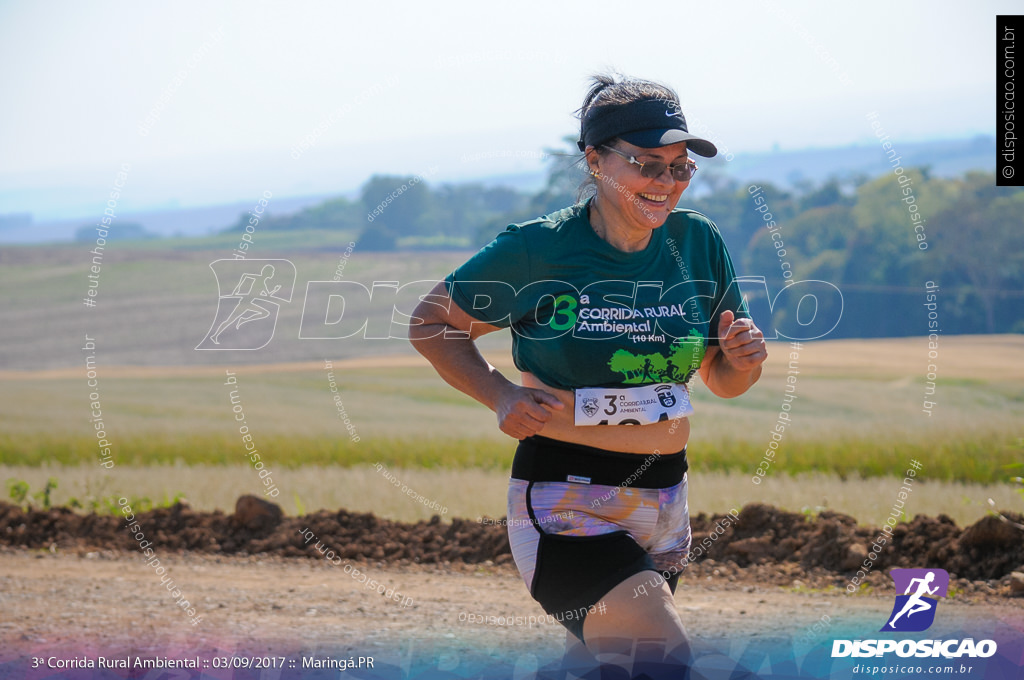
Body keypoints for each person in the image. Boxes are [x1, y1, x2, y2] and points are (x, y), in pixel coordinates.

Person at [409, 73, 767, 675]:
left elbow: (722, 380)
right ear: (595, 160)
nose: (666, 183)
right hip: (568, 503)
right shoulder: (538, 249)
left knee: (604, 667)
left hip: (667, 503)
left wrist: (742, 360)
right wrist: (497, 394)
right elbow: (431, 323)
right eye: (646, 164)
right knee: (666, 661)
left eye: (680, 167)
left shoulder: (697, 241)